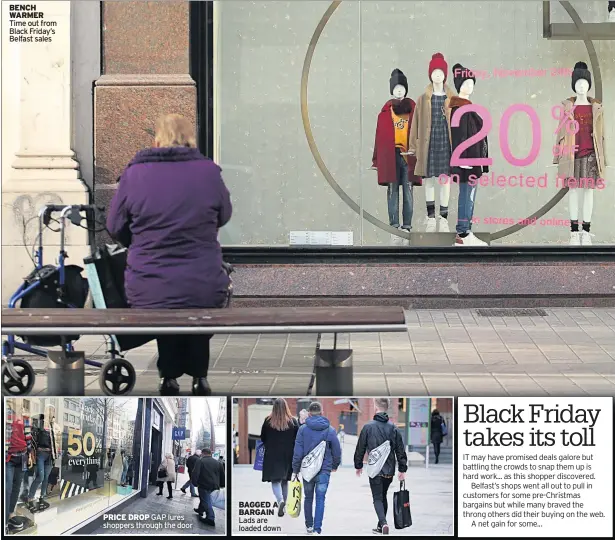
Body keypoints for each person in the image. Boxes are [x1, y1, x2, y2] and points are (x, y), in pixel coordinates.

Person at [107, 113, 233, 397]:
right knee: (195, 303)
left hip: (148, 282)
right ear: (191, 139)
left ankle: (169, 378)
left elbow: (114, 226)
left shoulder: (135, 173)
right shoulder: (209, 171)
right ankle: (200, 377)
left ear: (157, 140)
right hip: (203, 281)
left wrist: (139, 243)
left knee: (164, 300)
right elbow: (224, 215)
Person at [354, 398, 408, 535]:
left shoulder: (367, 427)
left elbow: (360, 448)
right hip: (389, 470)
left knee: (377, 498)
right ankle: (380, 526)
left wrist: (358, 465)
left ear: (375, 407)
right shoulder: (393, 428)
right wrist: (402, 469)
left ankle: (383, 523)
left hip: (374, 469)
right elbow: (400, 450)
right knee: (383, 496)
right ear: (387, 408)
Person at [292, 401, 341, 536]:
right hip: (324, 470)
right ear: (322, 413)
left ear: (309, 414)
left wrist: (295, 470)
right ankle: (317, 529)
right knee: (320, 499)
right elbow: (337, 450)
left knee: (308, 498)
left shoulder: (302, 430)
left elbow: (297, 452)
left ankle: (309, 526)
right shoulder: (330, 430)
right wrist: (335, 465)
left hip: (307, 471)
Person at [260, 398, 299, 517]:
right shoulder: (293, 421)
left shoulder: (268, 421)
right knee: (284, 480)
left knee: (275, 480)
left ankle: (280, 501)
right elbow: (297, 439)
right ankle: (284, 504)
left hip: (272, 455)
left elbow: (262, 437)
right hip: (288, 455)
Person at [191, 448, 225, 527]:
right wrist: (222, 484)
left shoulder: (200, 461)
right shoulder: (218, 463)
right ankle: (200, 509)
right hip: (215, 486)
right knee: (205, 498)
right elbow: (222, 475)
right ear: (210, 453)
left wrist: (195, 483)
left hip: (204, 484)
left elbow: (195, 473)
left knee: (206, 500)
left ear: (203, 453)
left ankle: (210, 518)